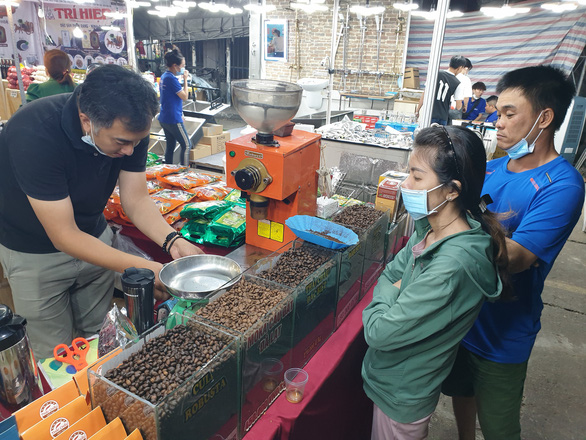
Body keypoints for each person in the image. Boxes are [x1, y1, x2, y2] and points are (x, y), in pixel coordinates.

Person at [0, 65, 203, 359]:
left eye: (137, 141)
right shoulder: (33, 132)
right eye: (121, 143)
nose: (130, 151)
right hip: (36, 256)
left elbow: (136, 200)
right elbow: (64, 235)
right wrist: (148, 268)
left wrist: (172, 240)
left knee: (103, 342)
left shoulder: (131, 127)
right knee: (57, 357)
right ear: (86, 121)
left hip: (96, 240)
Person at [442, 65, 585, 440]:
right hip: (462, 316)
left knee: (500, 426)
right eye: (497, 112)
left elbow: (517, 257)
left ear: (545, 117)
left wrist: (450, 224)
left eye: (509, 113)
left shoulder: (562, 185)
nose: (498, 122)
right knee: (461, 391)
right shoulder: (492, 168)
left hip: (503, 330)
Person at [362, 124, 509, 440]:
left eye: (416, 177)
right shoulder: (430, 227)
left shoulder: (452, 266)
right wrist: (396, 289)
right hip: (392, 382)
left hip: (403, 394)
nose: (406, 184)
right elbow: (391, 273)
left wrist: (392, 292)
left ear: (452, 189)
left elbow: (379, 333)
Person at [158, 49, 191, 166]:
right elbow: (185, 96)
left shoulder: (164, 76)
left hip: (164, 117)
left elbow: (170, 98)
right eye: (182, 65)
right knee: (187, 145)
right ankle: (184, 172)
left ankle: (168, 171)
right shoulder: (171, 79)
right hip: (173, 118)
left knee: (170, 146)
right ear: (175, 66)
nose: (184, 68)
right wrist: (186, 79)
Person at [415, 55, 466, 125]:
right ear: (460, 68)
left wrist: (418, 110)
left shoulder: (435, 75)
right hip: (443, 117)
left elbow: (424, 94)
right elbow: (458, 106)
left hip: (428, 114)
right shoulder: (458, 83)